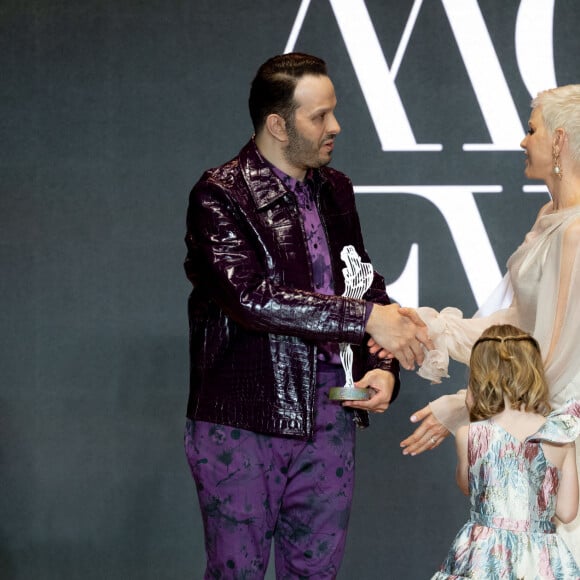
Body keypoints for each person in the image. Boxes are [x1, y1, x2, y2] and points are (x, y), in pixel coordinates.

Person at [183, 52, 430, 579]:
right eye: (319, 116)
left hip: (332, 415)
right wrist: (364, 318)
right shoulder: (220, 194)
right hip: (244, 421)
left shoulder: (334, 188)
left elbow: (361, 280)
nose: (335, 126)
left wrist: (382, 363)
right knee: (237, 574)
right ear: (278, 124)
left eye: (333, 112)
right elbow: (251, 298)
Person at [393, 83, 580, 557]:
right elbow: (515, 330)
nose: (523, 140)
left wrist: (466, 405)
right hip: (533, 436)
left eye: (532, 129)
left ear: (560, 140)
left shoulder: (577, 232)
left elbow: (554, 360)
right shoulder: (549, 217)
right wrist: (432, 328)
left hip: (559, 438)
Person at [431, 324, 580, 579]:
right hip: (540, 560)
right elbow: (567, 512)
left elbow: (469, 486)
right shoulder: (560, 436)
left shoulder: (471, 435)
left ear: (479, 377)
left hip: (486, 556)